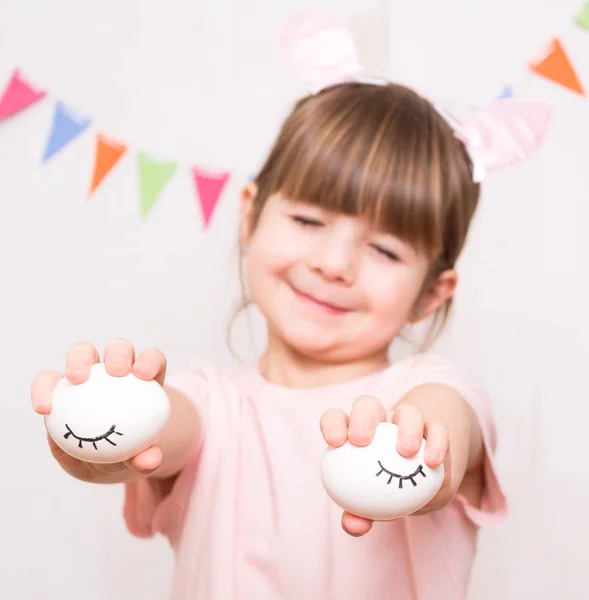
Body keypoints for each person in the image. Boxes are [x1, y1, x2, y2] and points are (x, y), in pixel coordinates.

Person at [31, 17, 551, 595]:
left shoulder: (431, 390)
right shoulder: (213, 407)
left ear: (431, 294)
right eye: (307, 220)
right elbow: (161, 430)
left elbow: (446, 434)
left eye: (383, 249)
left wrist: (419, 441)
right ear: (250, 215)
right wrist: (104, 427)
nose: (335, 263)